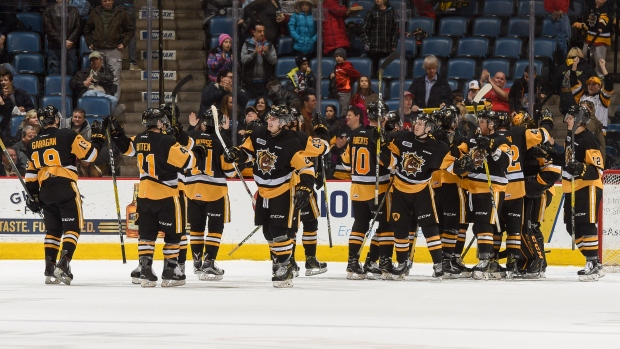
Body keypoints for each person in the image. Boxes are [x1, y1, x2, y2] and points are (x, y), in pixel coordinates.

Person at [109, 107, 205, 287]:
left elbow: (127, 149)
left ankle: (145, 270)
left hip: (144, 196)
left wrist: (117, 134)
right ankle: (169, 271)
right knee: (173, 235)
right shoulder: (167, 141)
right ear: (159, 123)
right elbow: (189, 162)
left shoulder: (139, 139)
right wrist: (199, 153)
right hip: (167, 195)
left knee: (146, 235)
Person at [223, 105, 316, 288]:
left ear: (282, 122)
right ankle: (282, 261)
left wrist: (305, 188)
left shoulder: (291, 141)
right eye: (269, 118)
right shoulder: (258, 134)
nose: (269, 121)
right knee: (268, 232)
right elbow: (248, 152)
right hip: (263, 192)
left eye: (273, 119)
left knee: (279, 231)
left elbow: (306, 168)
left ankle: (284, 265)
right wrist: (236, 154)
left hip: (282, 191)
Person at [24, 105, 106, 285]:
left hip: (45, 189)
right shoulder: (67, 134)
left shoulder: (32, 143)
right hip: (65, 186)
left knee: (53, 231)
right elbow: (90, 155)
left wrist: (33, 196)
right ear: (56, 119)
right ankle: (64, 264)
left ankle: (50, 269)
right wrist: (99, 139)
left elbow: (30, 175)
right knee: (72, 228)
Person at [386, 112, 455, 279]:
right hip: (400, 189)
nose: (416, 126)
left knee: (430, 227)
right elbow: (390, 158)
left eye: (420, 124)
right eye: (416, 123)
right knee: (401, 227)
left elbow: (452, 166)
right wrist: (381, 139)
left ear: (429, 128)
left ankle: (438, 265)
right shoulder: (403, 137)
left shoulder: (438, 147)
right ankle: (402, 263)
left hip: (422, 190)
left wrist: (466, 164)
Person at [494, 109, 554, 278]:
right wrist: (547, 122)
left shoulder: (532, 140)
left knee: (530, 225)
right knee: (521, 226)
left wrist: (537, 185)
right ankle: (525, 259)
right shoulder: (521, 138)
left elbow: (552, 168)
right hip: (523, 189)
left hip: (538, 190)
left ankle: (538, 260)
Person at [452, 109, 511, 280]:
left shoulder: (501, 140)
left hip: (492, 188)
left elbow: (505, 163)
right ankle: (488, 259)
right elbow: (457, 159)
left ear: (492, 124)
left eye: (483, 122)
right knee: (478, 226)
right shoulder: (472, 140)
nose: (480, 124)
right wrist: (463, 162)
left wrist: (491, 147)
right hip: (473, 189)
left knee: (485, 224)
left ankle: (486, 259)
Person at [339, 103, 394, 279]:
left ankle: (352, 263)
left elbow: (346, 162)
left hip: (357, 187)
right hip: (378, 188)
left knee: (360, 225)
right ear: (383, 117)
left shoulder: (355, 134)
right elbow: (390, 163)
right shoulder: (382, 136)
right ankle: (384, 262)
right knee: (386, 225)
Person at [185, 108, 236, 280]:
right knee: (215, 228)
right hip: (215, 191)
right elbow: (230, 172)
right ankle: (209, 263)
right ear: (220, 123)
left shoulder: (191, 136)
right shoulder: (224, 141)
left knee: (196, 228)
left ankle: (197, 262)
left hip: (192, 190)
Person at [561, 105, 605, 281]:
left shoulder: (589, 139)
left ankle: (592, 262)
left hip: (589, 187)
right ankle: (594, 260)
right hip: (572, 187)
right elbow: (567, 160)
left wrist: (581, 167)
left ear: (579, 120)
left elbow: (598, 169)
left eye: (570, 118)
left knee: (586, 224)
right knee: (570, 225)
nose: (567, 121)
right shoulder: (569, 137)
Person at [83, 0, 135, 98]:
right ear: (101, 2)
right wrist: (89, 42)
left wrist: (124, 43)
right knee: (96, 76)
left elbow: (130, 29)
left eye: (109, 0)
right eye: (105, 0)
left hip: (114, 49)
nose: (108, 2)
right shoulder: (95, 12)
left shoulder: (121, 12)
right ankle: (99, 101)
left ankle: (113, 102)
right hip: (98, 49)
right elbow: (87, 29)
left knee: (115, 77)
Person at [572, 58, 613, 138]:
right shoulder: (581, 96)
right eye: (589, 84)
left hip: (598, 132)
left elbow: (609, 86)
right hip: (582, 131)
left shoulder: (602, 98)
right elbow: (573, 82)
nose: (591, 86)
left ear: (599, 87)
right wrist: (574, 65)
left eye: (594, 84)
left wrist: (603, 67)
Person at [550, 47, 596, 115]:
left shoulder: (562, 67)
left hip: (565, 99)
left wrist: (560, 91)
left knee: (569, 121)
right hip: (583, 100)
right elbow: (595, 80)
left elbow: (555, 84)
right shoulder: (587, 67)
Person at [43, 0, 81, 75]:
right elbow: (49, 30)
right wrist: (63, 42)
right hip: (55, 46)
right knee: (54, 71)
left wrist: (70, 40)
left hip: (70, 46)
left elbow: (78, 27)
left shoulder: (74, 10)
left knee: (70, 72)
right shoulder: (48, 10)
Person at [240, 21, 278, 98]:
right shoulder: (247, 44)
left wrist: (267, 53)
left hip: (266, 82)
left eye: (263, 31)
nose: (262, 33)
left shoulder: (268, 45)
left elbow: (274, 61)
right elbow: (243, 60)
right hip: (250, 82)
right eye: (259, 31)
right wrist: (254, 53)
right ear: (254, 32)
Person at [362, 0, 398, 78]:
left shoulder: (392, 11)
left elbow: (395, 30)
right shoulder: (371, 11)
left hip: (387, 47)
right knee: (374, 73)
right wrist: (367, 43)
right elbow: (365, 30)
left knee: (385, 72)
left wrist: (394, 44)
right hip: (374, 47)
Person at [0, 68, 35, 144]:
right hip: (7, 124)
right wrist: (3, 102)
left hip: (24, 120)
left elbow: (32, 108)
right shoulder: (0, 96)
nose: (3, 82)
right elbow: (5, 115)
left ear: (11, 81)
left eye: (5, 80)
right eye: (1, 81)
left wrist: (24, 109)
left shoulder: (21, 93)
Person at [576, 0, 611, 77]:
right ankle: (586, 74)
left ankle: (601, 77)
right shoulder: (591, 7)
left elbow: (604, 19)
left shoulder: (606, 8)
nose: (597, 0)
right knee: (584, 54)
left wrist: (601, 26)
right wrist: (582, 25)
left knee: (600, 59)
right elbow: (587, 20)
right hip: (589, 36)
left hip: (601, 38)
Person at [330, 48, 360, 117]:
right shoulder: (336, 66)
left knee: (344, 109)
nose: (338, 58)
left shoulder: (347, 66)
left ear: (344, 57)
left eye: (340, 56)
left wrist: (350, 82)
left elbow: (357, 75)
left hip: (345, 91)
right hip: (336, 90)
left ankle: (343, 122)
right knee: (336, 108)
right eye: (336, 56)